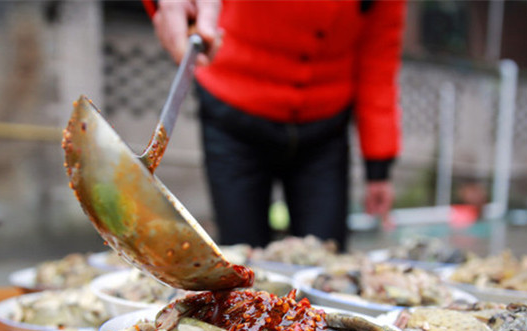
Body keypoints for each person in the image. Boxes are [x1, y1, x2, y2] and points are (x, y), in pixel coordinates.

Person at [142, 0, 407, 251]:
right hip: (233, 112)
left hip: (325, 128)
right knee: (240, 254)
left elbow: (379, 57)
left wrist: (378, 165)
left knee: (326, 255)